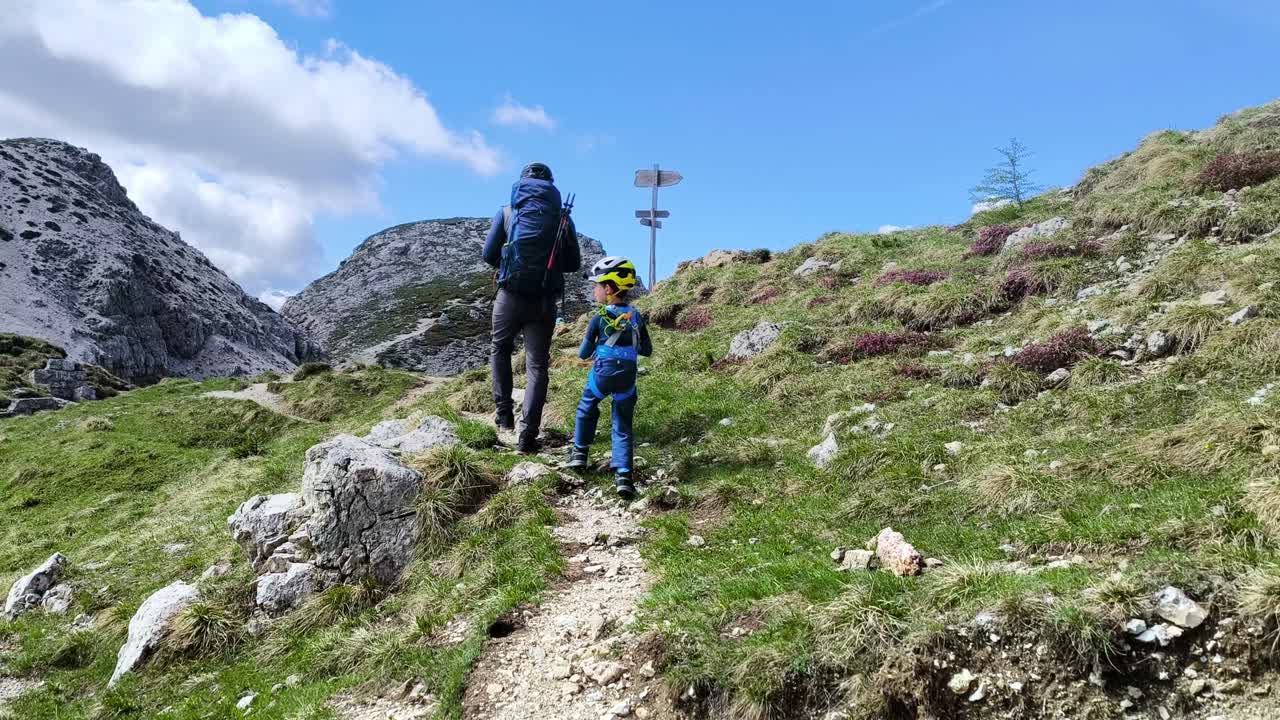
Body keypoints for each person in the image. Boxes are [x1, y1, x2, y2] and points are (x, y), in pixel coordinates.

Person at [482, 162, 581, 453]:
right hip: (544, 301)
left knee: (499, 348)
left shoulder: (507, 212)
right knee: (537, 364)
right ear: (552, 187)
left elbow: (488, 255)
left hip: (510, 296)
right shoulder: (563, 219)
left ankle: (504, 418)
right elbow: (574, 264)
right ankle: (528, 435)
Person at [566, 257, 652, 499]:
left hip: (602, 374)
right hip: (627, 377)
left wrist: (593, 351)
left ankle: (579, 453)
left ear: (609, 288)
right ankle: (624, 476)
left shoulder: (599, 318)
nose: (594, 290)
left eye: (597, 285)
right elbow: (647, 350)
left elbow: (583, 353)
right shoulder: (636, 317)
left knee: (587, 406)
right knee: (622, 423)